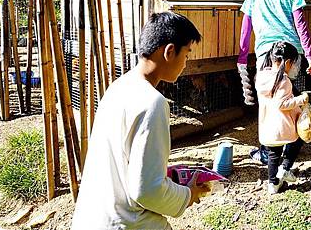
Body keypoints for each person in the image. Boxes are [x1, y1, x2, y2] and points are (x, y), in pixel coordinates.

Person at [72, 12, 210, 230]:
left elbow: (126, 163)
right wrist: (188, 194)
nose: (186, 63)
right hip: (126, 223)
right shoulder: (152, 102)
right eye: (187, 54)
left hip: (94, 218)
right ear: (169, 51)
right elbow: (147, 190)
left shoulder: (118, 87)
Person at [238, 0, 311, 82]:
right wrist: (310, 56)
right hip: (291, 52)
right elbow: (301, 26)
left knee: (267, 95)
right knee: (287, 94)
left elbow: (246, 29)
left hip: (265, 51)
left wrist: (242, 58)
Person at [256, 41, 309, 194]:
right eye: (292, 63)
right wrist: (301, 99)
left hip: (267, 125)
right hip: (282, 125)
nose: (292, 66)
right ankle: (285, 168)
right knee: (298, 139)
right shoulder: (283, 81)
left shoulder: (262, 75)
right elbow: (282, 104)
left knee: (273, 154)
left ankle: (272, 184)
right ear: (287, 62)